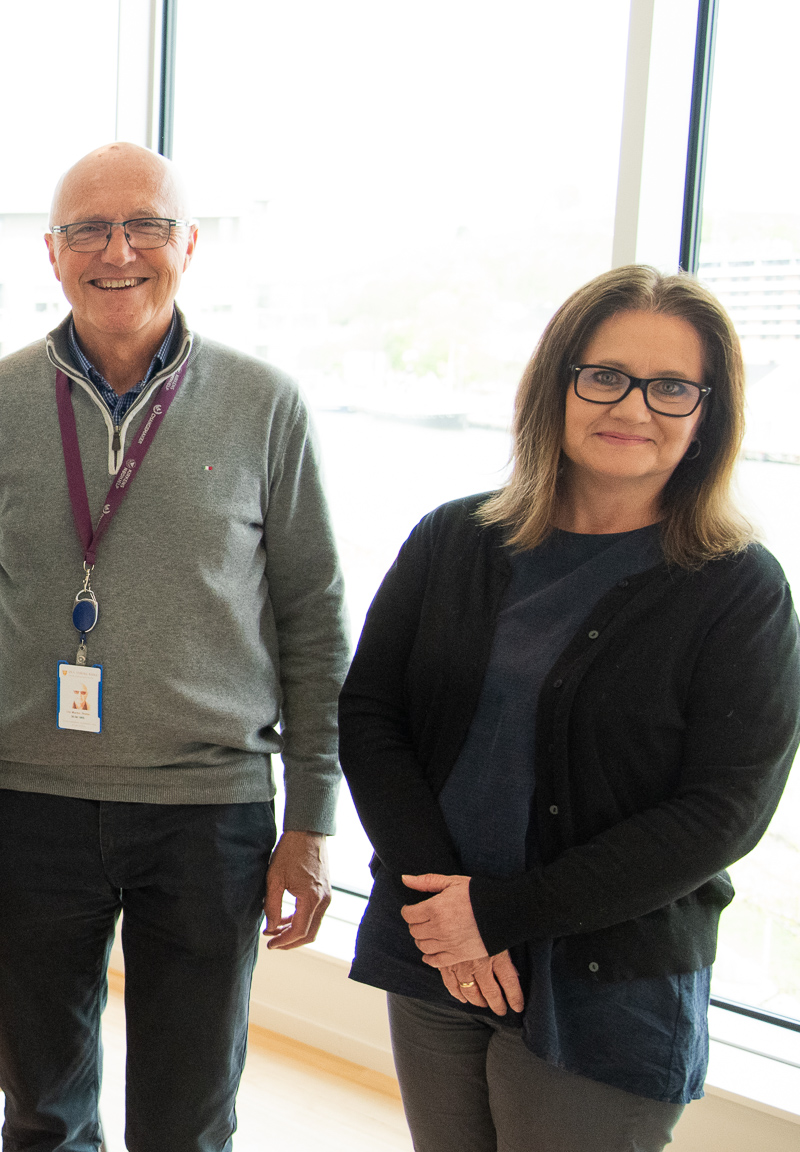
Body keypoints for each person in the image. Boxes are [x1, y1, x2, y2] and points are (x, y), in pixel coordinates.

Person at [0, 142, 348, 1152]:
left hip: (207, 813)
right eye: (87, 229)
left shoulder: (263, 405)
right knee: (41, 1111)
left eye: (144, 227)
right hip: (29, 807)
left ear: (188, 245)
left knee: (188, 1117)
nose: (115, 251)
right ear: (50, 253)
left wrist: (311, 816)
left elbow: (314, 615)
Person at [340, 265, 800, 1151]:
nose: (632, 408)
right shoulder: (453, 539)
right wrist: (450, 915)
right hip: (437, 955)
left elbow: (723, 813)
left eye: (671, 387)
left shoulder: (738, 589)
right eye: (606, 375)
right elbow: (371, 717)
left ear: (709, 413)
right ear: (558, 383)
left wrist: (499, 916)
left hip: (605, 986)